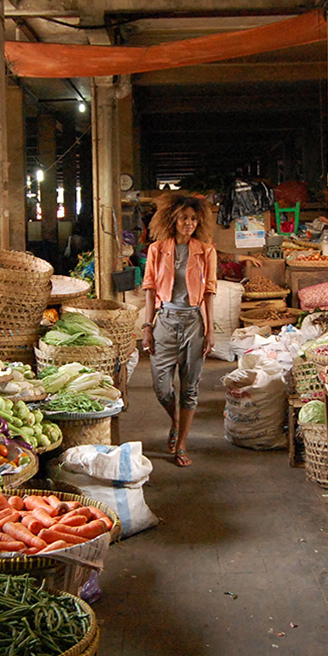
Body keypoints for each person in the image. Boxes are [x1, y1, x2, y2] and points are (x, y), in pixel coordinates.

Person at [141, 193, 218, 467]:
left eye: (193, 219)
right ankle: (174, 420)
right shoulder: (157, 249)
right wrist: (148, 326)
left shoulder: (206, 250)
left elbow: (209, 292)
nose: (189, 223)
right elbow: (150, 289)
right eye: (184, 218)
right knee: (161, 386)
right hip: (165, 320)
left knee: (190, 387)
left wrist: (209, 330)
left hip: (194, 323)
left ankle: (182, 444)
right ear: (172, 219)